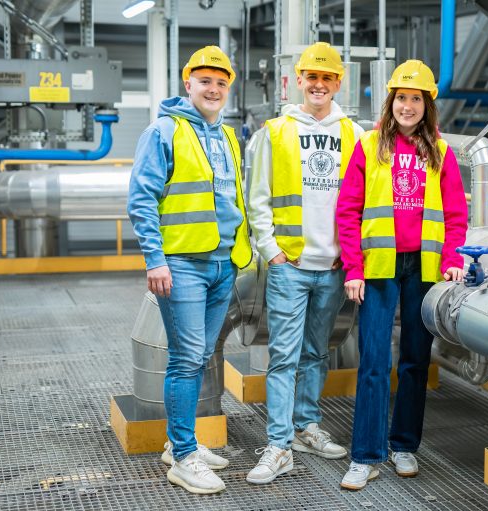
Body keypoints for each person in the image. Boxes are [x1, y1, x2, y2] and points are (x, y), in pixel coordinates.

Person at [335, 59, 468, 490]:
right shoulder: (369, 145)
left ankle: (404, 445)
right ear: (390, 101)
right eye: (401, 98)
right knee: (374, 360)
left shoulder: (441, 152)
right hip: (379, 267)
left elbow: (456, 213)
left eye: (416, 99)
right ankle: (365, 455)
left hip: (423, 268)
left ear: (427, 106)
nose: (407, 106)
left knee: (415, 359)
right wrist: (354, 268)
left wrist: (452, 258)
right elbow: (349, 210)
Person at [127, 46, 252, 495]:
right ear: (188, 84)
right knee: (185, 358)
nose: (213, 89)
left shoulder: (228, 136)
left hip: (223, 262)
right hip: (182, 265)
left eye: (220, 82)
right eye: (205, 81)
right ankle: (183, 457)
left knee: (199, 357)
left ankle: (180, 442)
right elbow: (142, 198)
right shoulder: (164, 131)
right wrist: (155, 259)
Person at [246, 42, 364, 485]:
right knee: (283, 356)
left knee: (316, 352)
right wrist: (271, 251)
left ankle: (305, 427)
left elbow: (363, 200)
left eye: (327, 77)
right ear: (298, 80)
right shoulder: (275, 132)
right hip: (290, 265)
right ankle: (278, 445)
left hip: (333, 267)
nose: (319, 84)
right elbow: (257, 197)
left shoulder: (354, 134)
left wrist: (350, 257)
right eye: (312, 77)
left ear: (338, 83)